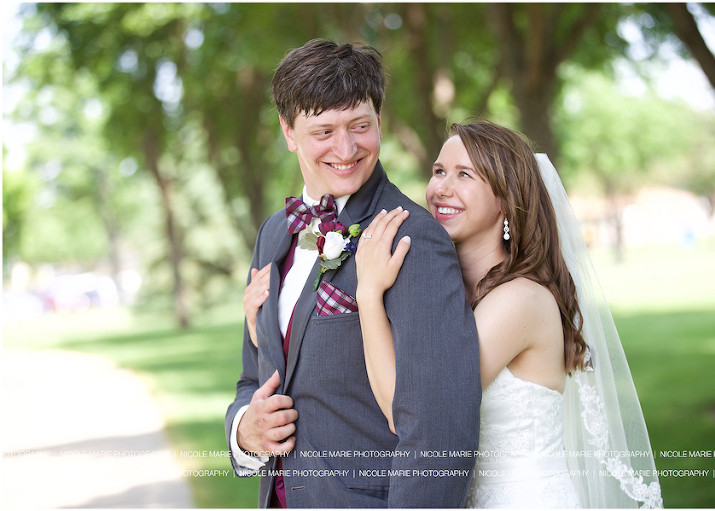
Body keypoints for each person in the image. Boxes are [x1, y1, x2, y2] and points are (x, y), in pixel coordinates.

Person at [353, 120, 664, 508]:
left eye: (464, 174)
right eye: (438, 171)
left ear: (505, 199)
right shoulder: (454, 295)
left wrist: (367, 294)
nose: (441, 189)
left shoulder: (519, 301)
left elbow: (413, 413)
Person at [225, 39, 481, 508]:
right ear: (288, 131)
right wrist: (244, 429)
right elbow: (252, 378)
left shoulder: (413, 238)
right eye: (323, 132)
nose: (346, 149)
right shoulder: (274, 234)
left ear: (379, 122)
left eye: (360, 126)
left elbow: (439, 430)